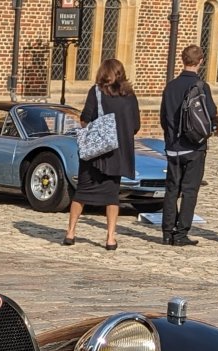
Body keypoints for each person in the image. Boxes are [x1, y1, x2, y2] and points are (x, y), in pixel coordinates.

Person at [63, 57, 140, 251]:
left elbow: (85, 120)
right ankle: (110, 238)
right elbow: (135, 125)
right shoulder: (129, 96)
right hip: (116, 153)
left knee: (81, 193)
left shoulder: (96, 92)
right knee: (112, 196)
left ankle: (71, 232)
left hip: (95, 153)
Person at [160, 45, 216, 246]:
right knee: (190, 190)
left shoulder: (171, 86)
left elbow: (163, 116)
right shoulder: (201, 86)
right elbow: (211, 112)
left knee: (171, 189)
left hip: (173, 146)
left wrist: (169, 138)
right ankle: (181, 232)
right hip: (194, 146)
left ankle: (167, 232)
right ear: (201, 61)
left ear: (183, 60)